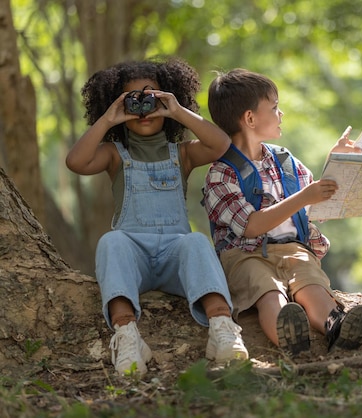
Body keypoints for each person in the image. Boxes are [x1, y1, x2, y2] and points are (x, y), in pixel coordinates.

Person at [66, 58, 248, 377]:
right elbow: (76, 162)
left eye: (152, 97)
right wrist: (110, 119)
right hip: (133, 257)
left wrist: (175, 109)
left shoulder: (183, 153)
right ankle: (127, 337)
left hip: (175, 257)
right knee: (112, 242)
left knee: (196, 242)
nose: (143, 108)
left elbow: (221, 145)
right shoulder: (113, 154)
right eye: (132, 101)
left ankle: (222, 329)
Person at [202, 68, 362, 356]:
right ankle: (290, 339)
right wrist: (305, 196)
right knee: (267, 291)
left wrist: (337, 162)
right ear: (250, 118)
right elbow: (251, 226)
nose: (281, 114)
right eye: (275, 107)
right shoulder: (221, 173)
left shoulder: (284, 161)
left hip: (294, 250)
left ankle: (336, 326)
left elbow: (313, 201)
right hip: (245, 255)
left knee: (312, 285)